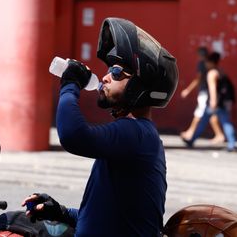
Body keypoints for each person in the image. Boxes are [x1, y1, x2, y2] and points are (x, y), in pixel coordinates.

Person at [21, 17, 179, 236]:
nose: (104, 77)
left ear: (139, 86)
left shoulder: (136, 133)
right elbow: (105, 216)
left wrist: (69, 84)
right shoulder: (136, 135)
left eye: (115, 72)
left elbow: (73, 135)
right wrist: (61, 212)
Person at [183, 52, 236, 151]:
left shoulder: (211, 73)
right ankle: (232, 143)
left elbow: (212, 88)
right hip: (223, 102)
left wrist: (213, 101)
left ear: (211, 62)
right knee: (226, 122)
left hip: (215, 103)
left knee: (203, 121)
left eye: (207, 62)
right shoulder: (221, 71)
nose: (205, 64)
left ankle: (192, 140)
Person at [180, 47, 225, 143]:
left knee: (200, 113)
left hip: (205, 93)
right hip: (208, 93)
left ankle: (191, 133)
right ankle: (218, 134)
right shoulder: (213, 66)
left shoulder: (202, 64)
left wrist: (188, 90)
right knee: (210, 114)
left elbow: (198, 79)